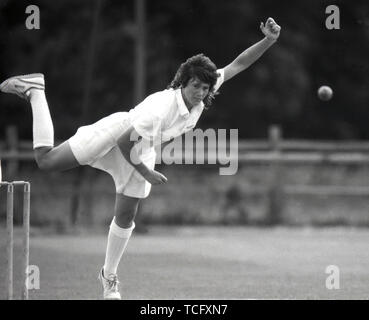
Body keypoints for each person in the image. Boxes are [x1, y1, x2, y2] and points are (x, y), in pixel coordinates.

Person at [0, 17, 281, 299]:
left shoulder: (204, 91)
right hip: (118, 134)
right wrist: (147, 173)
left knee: (126, 214)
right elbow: (125, 142)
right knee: (46, 161)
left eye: (205, 88)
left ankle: (109, 277)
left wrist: (268, 40)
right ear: (183, 82)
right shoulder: (160, 109)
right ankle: (35, 90)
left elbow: (237, 65)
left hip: (141, 148)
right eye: (195, 86)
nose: (200, 93)